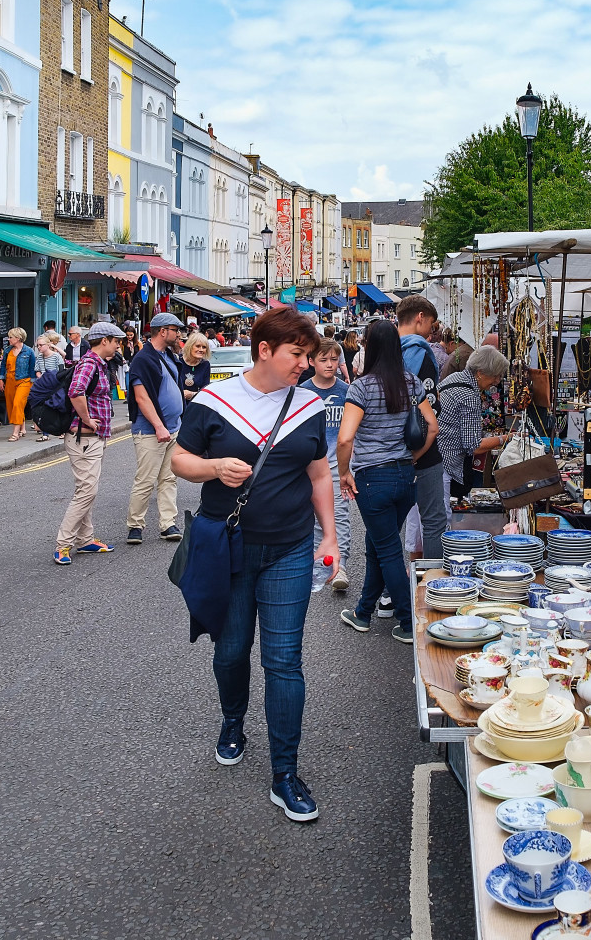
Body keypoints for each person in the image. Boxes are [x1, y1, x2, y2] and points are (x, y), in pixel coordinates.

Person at [172, 307, 336, 820]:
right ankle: (232, 720)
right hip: (231, 548)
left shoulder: (308, 406)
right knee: (231, 651)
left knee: (284, 660)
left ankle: (285, 772)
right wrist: (215, 466)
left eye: (309, 356)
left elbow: (318, 475)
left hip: (289, 548)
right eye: (297, 355)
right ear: (264, 350)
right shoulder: (215, 401)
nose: (306, 366)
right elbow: (180, 460)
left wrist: (329, 536)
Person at [336, 319, 436, 643]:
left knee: (388, 549)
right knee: (379, 543)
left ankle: (408, 622)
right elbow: (432, 427)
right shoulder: (411, 383)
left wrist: (343, 473)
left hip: (372, 479)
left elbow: (344, 439)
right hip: (406, 476)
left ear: (369, 345)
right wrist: (413, 459)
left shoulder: (361, 387)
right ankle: (363, 612)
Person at [54, 321, 125, 563]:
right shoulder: (89, 363)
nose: (118, 346)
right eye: (116, 341)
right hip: (84, 437)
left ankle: (86, 540)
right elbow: (76, 391)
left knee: (86, 489)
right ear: (104, 340)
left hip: (92, 437)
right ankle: (63, 544)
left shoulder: (98, 364)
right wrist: (88, 420)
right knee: (87, 490)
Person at [395, 295, 450, 557]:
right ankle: (432, 584)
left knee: (388, 525)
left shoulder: (383, 351)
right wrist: (419, 452)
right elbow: (430, 413)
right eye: (431, 323)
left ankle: (386, 591)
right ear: (420, 318)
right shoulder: (421, 354)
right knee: (433, 519)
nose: (432, 331)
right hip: (422, 450)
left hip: (387, 449)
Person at [125, 312, 186, 545]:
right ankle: (135, 526)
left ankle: (168, 524)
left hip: (174, 428)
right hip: (152, 430)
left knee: (169, 478)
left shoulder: (168, 355)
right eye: (175, 330)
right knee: (146, 479)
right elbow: (141, 397)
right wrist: (159, 427)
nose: (178, 334)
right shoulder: (143, 358)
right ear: (163, 331)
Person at [304, 337, 351, 591]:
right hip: (306, 465)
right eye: (323, 360)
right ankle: (318, 565)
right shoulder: (302, 392)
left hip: (337, 465)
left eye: (334, 359)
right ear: (311, 362)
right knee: (311, 518)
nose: (330, 364)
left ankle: (340, 565)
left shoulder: (346, 392)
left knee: (340, 515)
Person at [436, 345, 513, 497]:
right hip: (448, 465)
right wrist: (505, 438)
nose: (497, 381)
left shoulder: (455, 378)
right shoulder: (469, 395)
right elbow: (473, 446)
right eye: (495, 376)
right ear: (480, 373)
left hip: (435, 459)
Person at [0, 328, 37, 441]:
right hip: (10, 380)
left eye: (10, 337)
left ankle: (15, 433)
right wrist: (0, 379)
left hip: (24, 380)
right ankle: (22, 428)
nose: (8, 339)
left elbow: (32, 368)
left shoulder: (29, 351)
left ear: (18, 338)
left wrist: (33, 383)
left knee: (17, 403)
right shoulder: (7, 350)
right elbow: (3, 365)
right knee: (11, 405)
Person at [33, 333, 65, 440]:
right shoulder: (39, 357)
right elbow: (37, 370)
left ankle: (62, 431)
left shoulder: (56, 356)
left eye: (41, 345)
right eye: (38, 345)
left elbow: (61, 371)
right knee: (45, 408)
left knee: (58, 407)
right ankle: (45, 434)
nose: (39, 347)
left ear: (48, 345)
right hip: (44, 386)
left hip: (55, 385)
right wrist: (40, 377)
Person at [180, 331, 212, 400]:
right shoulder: (178, 361)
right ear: (190, 346)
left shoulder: (205, 364)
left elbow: (205, 390)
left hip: (195, 405)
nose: (201, 350)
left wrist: (192, 394)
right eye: (197, 346)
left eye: (204, 347)